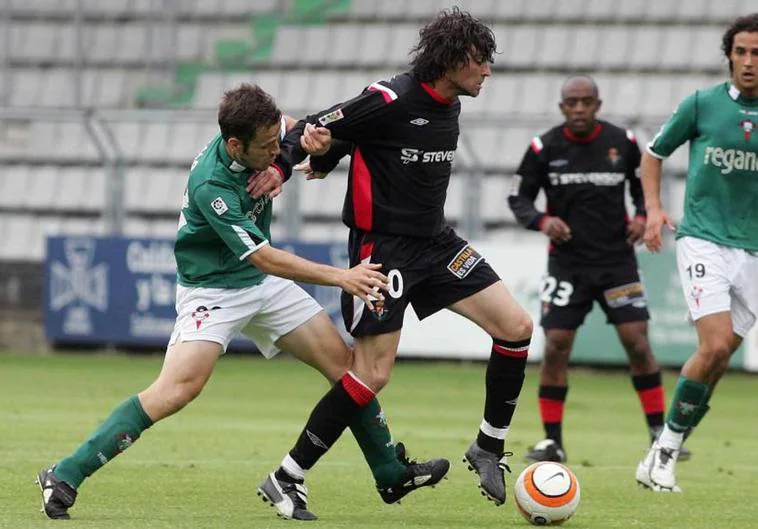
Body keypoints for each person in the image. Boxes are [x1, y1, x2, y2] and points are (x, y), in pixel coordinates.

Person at [36, 83, 448, 521]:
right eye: (267, 146)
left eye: (277, 140)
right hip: (213, 291)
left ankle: (390, 472)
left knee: (348, 369)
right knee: (178, 390)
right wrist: (341, 277)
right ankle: (64, 473)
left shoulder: (263, 135)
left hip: (260, 285)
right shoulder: (211, 184)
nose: (276, 151)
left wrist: (323, 148)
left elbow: (302, 130)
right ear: (236, 144)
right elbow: (265, 257)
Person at [264, 7, 533, 509]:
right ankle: (288, 474)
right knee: (371, 372)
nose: (488, 71)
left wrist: (331, 154)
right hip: (382, 250)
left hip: (436, 243)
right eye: (481, 61)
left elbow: (356, 141)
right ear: (453, 59)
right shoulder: (390, 97)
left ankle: (489, 445)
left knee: (516, 327)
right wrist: (287, 166)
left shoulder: (450, 101)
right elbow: (318, 127)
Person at [507, 76, 688, 463]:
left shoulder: (623, 142)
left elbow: (644, 192)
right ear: (561, 108)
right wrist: (542, 222)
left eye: (586, 102)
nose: (578, 109)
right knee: (556, 345)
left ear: (597, 104)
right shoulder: (544, 147)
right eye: (571, 103)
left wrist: (642, 217)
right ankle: (552, 441)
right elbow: (518, 199)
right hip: (567, 264)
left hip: (616, 262)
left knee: (638, 342)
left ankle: (660, 436)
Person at [636, 14, 758, 493]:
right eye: (742, 52)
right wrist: (652, 209)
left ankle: (666, 446)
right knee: (713, 344)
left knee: (723, 354)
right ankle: (664, 451)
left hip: (754, 250)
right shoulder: (702, 105)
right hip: (704, 238)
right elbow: (653, 153)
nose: (750, 62)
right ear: (729, 55)